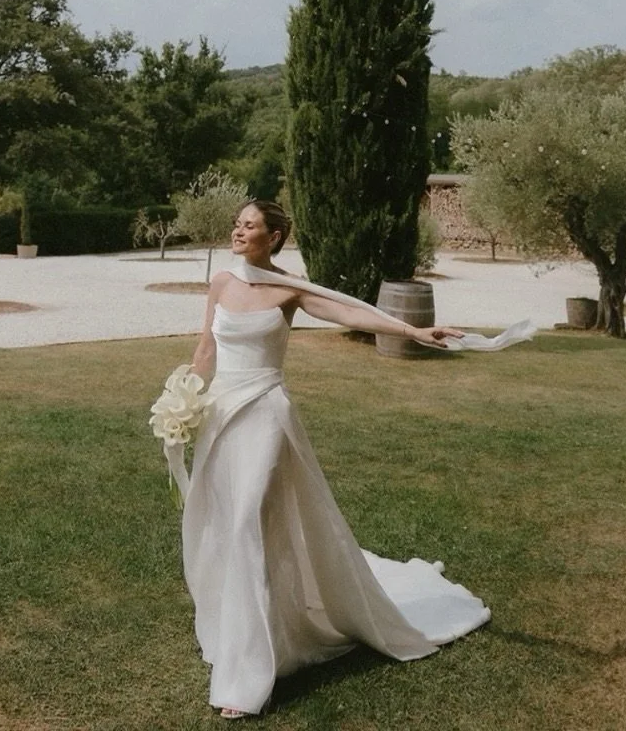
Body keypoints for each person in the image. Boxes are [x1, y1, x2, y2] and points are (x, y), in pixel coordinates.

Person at [181, 199, 491, 719]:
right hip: (222, 414)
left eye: (249, 225)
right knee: (229, 524)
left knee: (248, 520)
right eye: (237, 223)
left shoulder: (290, 291)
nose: (238, 231)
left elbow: (350, 309)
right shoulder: (221, 282)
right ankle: (254, 627)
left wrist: (413, 331)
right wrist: (184, 397)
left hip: (266, 413)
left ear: (274, 237)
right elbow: (205, 349)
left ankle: (244, 677)